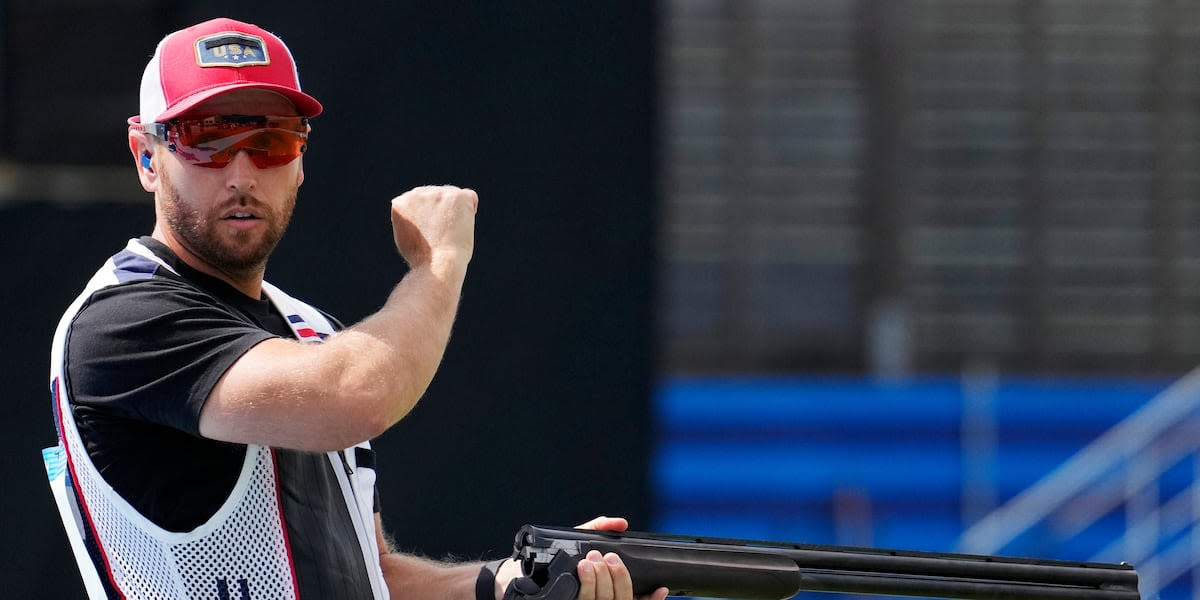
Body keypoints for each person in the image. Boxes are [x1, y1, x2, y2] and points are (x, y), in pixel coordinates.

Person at [44, 17, 669, 600]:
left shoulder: (310, 331)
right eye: (207, 138)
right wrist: (439, 264)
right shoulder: (121, 321)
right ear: (146, 156)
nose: (242, 173)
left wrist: (511, 584)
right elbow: (354, 395)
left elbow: (371, 571)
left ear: (301, 162)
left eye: (271, 139)